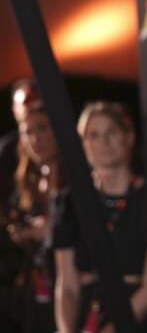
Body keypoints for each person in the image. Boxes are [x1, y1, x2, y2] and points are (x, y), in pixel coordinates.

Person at [54, 101, 147, 333]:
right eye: (94, 135)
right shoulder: (69, 203)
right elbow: (66, 284)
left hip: (134, 318)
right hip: (84, 317)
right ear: (83, 144)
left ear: (128, 137)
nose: (104, 143)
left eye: (111, 132)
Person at [5, 79, 62, 332]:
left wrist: (49, 231)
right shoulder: (22, 176)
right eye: (28, 131)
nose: (36, 139)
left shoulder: (77, 178)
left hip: (71, 288)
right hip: (33, 292)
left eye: (43, 128)